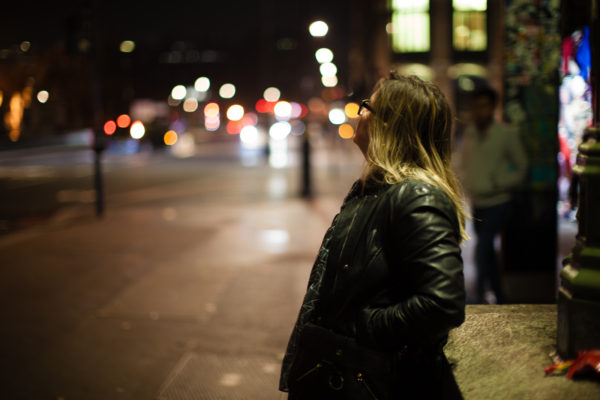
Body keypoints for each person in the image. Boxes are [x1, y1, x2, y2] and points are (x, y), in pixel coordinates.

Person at [279, 73, 467, 399]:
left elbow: (442, 303)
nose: (360, 113)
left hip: (368, 381)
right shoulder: (376, 189)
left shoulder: (416, 196)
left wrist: (364, 327)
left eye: (368, 106)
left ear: (390, 124)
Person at [461, 87, 527, 304]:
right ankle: (500, 295)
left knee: (482, 249)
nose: (480, 111)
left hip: (499, 202)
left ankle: (478, 297)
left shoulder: (505, 134)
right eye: (476, 106)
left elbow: (522, 167)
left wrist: (500, 183)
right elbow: (464, 164)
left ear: (492, 107)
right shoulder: (470, 133)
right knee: (487, 252)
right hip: (478, 201)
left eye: (484, 106)